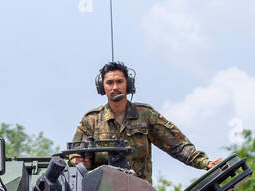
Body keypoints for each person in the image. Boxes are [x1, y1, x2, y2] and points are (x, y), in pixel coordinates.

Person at [69, 61, 220, 182]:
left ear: (128, 84)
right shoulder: (92, 121)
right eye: (109, 83)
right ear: (102, 87)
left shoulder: (145, 115)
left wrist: (206, 163)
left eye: (119, 81)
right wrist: (80, 162)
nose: (115, 87)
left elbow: (178, 145)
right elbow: (74, 156)